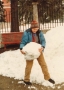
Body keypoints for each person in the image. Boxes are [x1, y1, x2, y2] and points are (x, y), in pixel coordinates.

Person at [20, 20, 55, 85]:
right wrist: (21, 48)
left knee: (43, 64)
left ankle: (47, 77)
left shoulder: (39, 32)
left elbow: (43, 41)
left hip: (38, 50)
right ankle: (26, 80)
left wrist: (42, 47)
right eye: (34, 29)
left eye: (36, 29)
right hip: (29, 52)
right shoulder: (26, 32)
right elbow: (23, 42)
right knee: (29, 66)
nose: (35, 30)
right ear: (31, 27)